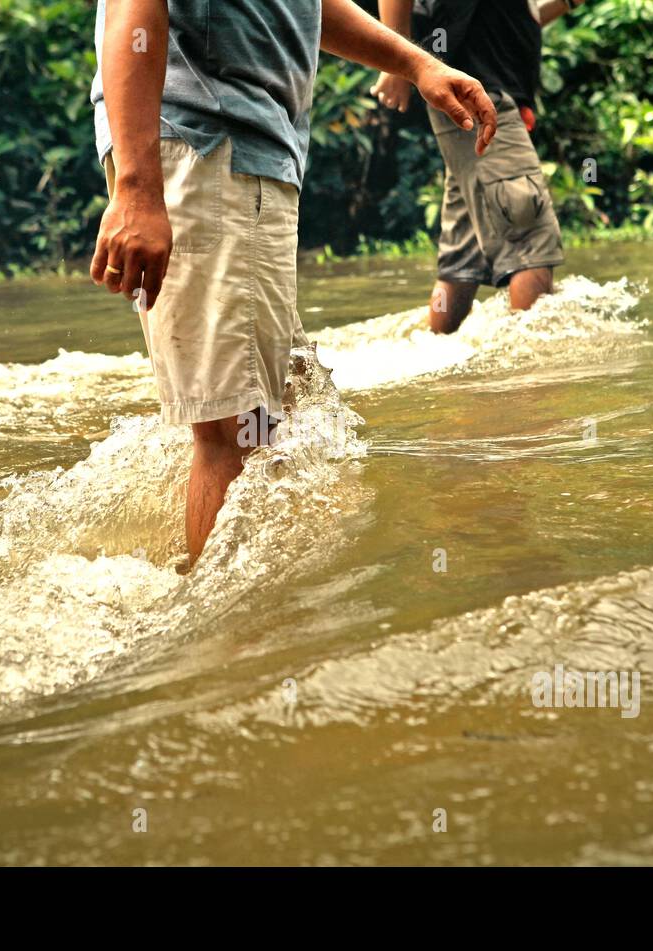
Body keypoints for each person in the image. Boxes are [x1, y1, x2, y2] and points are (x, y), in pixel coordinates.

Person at [89, 0, 498, 563]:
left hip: (237, 158)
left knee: (290, 408)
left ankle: (264, 612)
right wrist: (137, 187)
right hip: (209, 149)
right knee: (240, 432)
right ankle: (230, 642)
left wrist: (417, 64)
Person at [372, 0, 584, 333]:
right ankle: (535, 381)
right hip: (481, 99)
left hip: (485, 99)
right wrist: (395, 62)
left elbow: (523, 16)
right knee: (530, 240)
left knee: (462, 264)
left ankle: (437, 359)